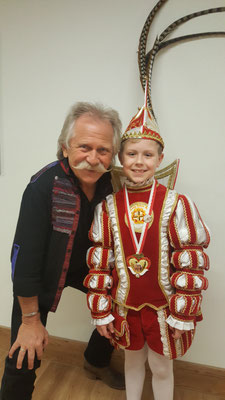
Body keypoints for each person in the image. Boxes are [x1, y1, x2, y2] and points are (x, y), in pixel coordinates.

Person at [84, 88, 210, 400]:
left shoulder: (177, 204)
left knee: (162, 366)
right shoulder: (108, 207)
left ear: (160, 159)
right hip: (125, 306)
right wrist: (101, 310)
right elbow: (100, 260)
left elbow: (189, 258)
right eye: (131, 154)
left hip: (164, 307)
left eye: (148, 155)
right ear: (120, 158)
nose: (139, 162)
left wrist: (183, 312)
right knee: (132, 360)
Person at [0, 102, 125, 400]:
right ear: (65, 147)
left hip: (89, 265)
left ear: (113, 155)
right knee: (25, 350)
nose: (93, 158)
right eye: (84, 147)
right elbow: (24, 259)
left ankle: (95, 360)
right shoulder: (42, 187)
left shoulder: (116, 184)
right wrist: (31, 321)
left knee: (127, 300)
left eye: (103, 150)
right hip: (43, 272)